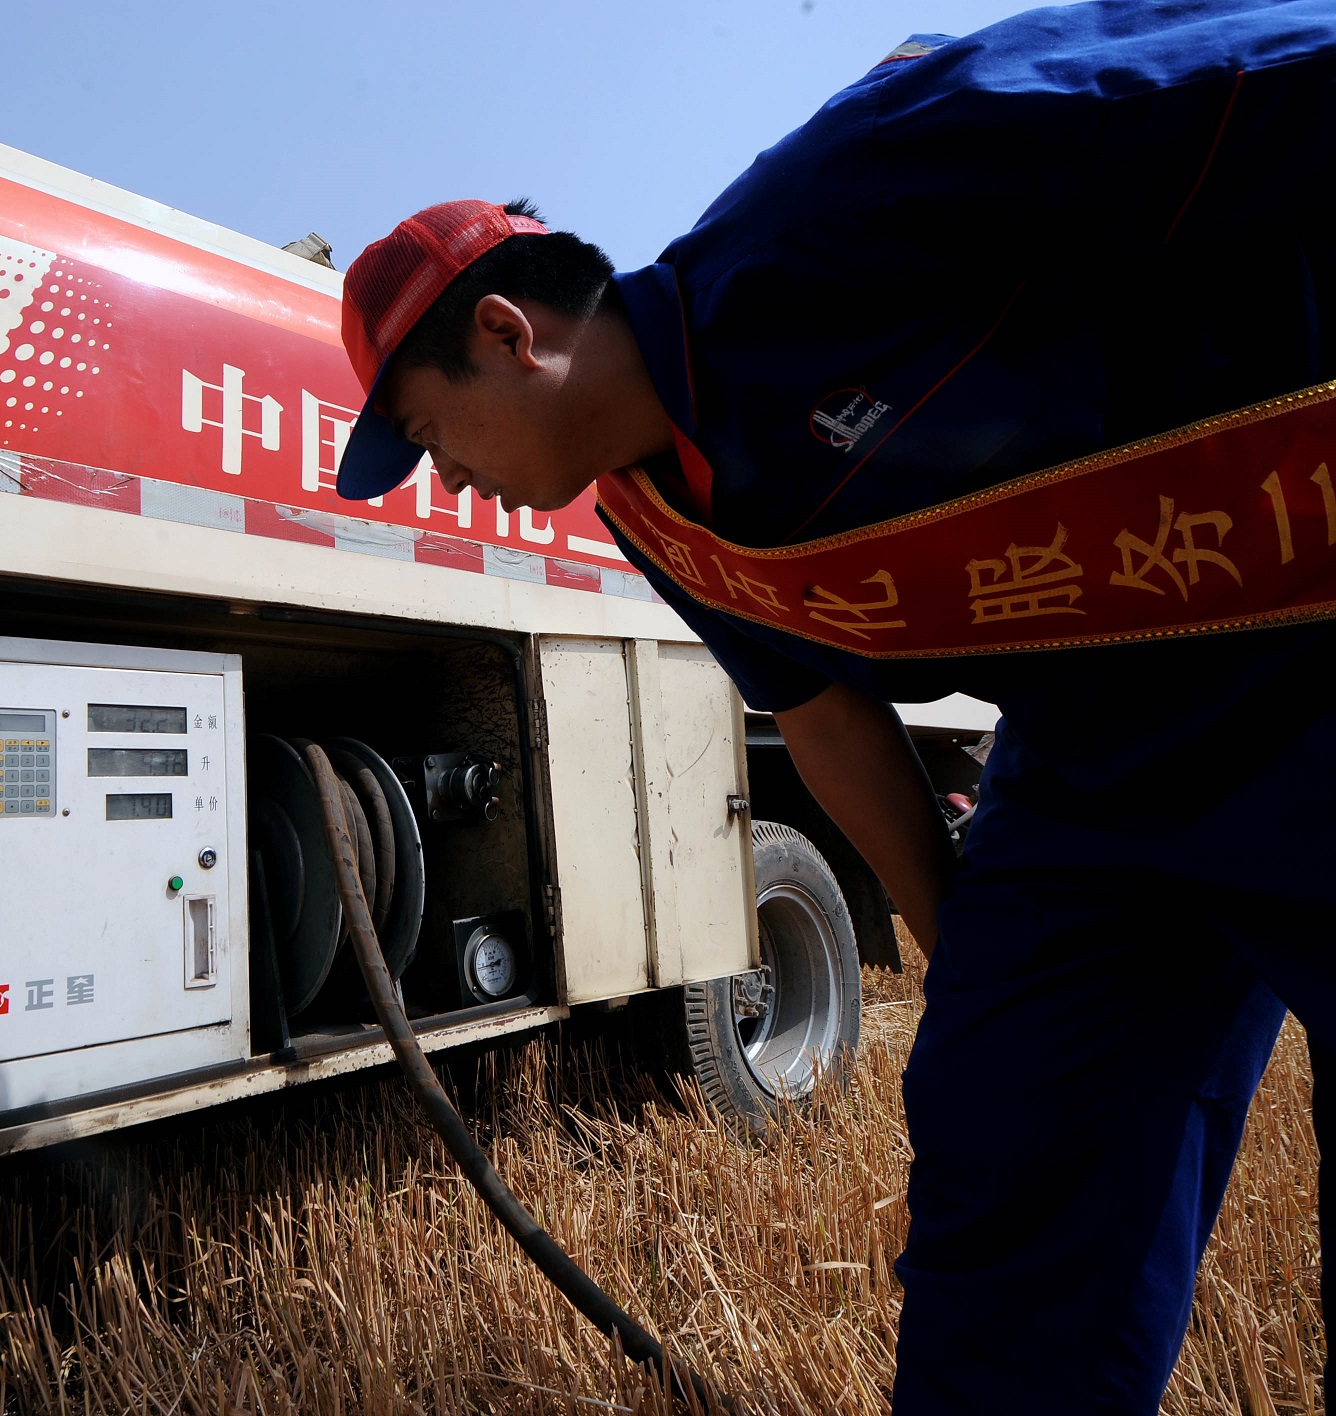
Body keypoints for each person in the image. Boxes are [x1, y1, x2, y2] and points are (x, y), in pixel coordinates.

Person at [330, 3, 1336, 1410]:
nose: (443, 479)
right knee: (1007, 1160)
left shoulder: (850, 197)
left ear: (504, 332)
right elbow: (824, 720)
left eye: (428, 434)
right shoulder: (658, 518)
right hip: (1096, 763)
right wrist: (973, 958)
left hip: (1298, 675)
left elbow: (1254, 70)